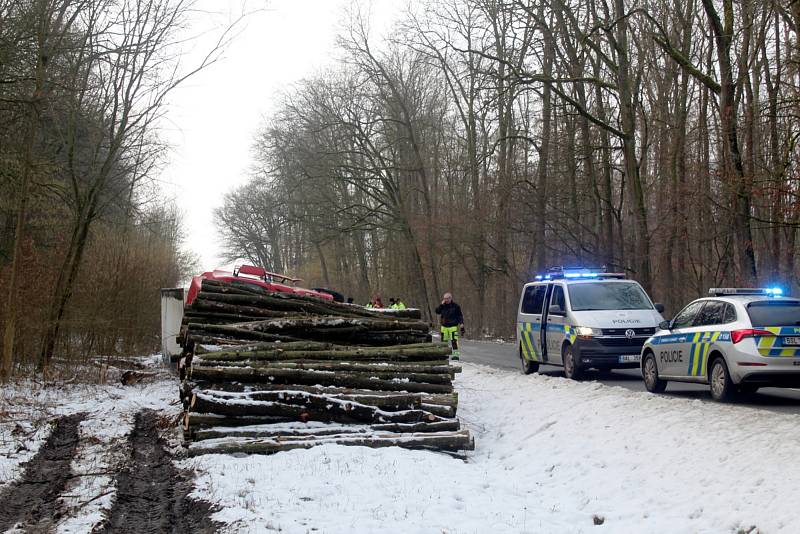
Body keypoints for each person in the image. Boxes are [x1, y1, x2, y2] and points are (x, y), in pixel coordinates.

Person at [435, 292, 464, 360]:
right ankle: (444, 355)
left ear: (451, 298)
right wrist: (441, 305)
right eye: (445, 298)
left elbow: (460, 315)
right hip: (444, 327)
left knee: (454, 341)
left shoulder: (456, 306)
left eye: (447, 298)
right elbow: (437, 311)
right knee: (443, 342)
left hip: (453, 326)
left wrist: (461, 323)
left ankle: (456, 355)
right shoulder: (442, 306)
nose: (446, 300)